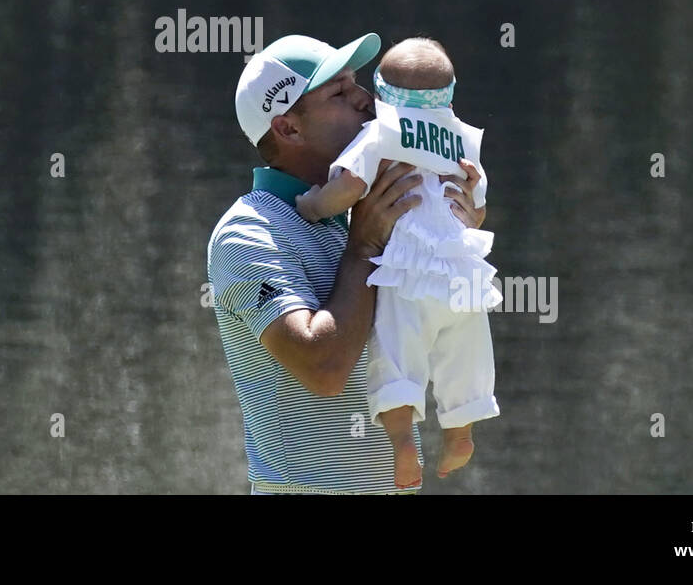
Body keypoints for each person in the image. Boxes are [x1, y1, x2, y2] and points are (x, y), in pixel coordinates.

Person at [207, 32, 487, 494]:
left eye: (357, 83)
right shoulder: (249, 232)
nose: (366, 100)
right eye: (340, 93)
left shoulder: (368, 209)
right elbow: (324, 368)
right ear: (288, 129)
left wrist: (457, 232)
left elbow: (439, 318)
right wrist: (364, 247)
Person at [294, 37, 500, 488]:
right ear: (449, 95)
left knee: (396, 356)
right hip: (464, 271)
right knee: (463, 353)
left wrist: (312, 206)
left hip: (408, 272)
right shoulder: (462, 138)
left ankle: (404, 441)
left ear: (383, 94)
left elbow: (349, 183)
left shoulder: (382, 133)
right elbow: (476, 207)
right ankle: (461, 430)